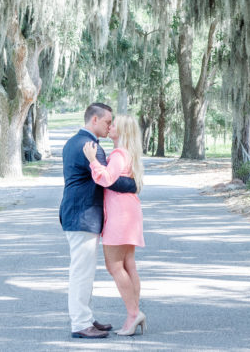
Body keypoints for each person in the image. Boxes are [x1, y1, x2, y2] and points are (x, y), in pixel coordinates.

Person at [59, 103, 138, 339]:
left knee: (85, 271)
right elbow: (109, 180)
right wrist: (134, 185)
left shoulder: (76, 141)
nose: (109, 126)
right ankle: (81, 323)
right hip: (82, 216)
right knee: (81, 273)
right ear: (94, 120)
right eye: (107, 122)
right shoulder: (89, 146)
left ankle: (85, 316)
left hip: (79, 215)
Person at [81, 114, 146, 336]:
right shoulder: (128, 153)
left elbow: (106, 179)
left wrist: (92, 160)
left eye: (114, 125)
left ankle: (133, 313)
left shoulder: (119, 154)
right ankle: (135, 312)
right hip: (130, 212)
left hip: (120, 215)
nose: (110, 127)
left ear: (123, 131)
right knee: (129, 265)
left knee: (115, 267)